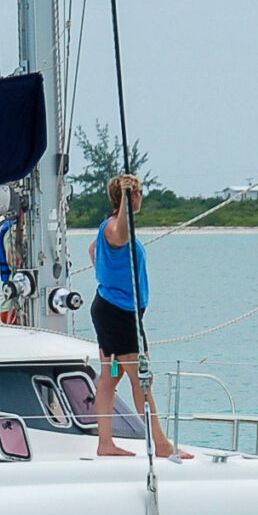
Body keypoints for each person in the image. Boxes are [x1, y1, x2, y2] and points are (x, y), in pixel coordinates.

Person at [88, 173, 185, 459]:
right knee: (141, 378)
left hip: (115, 310)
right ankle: (161, 444)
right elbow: (120, 235)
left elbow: (93, 250)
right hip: (119, 315)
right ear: (129, 198)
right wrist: (127, 204)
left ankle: (105, 443)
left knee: (110, 377)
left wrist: (107, 274)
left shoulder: (109, 228)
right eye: (138, 193)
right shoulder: (115, 227)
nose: (141, 196)